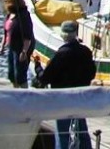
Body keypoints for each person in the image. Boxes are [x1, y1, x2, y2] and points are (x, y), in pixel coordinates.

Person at [36, 21, 96, 149]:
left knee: (62, 131)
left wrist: (37, 67)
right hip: (80, 95)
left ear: (63, 35)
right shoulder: (85, 51)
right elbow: (92, 72)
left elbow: (45, 78)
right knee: (81, 129)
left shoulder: (61, 54)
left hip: (62, 98)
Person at [0, 0, 33, 88]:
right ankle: (15, 90)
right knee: (11, 74)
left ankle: (24, 94)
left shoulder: (24, 15)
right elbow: (6, 31)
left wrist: (24, 51)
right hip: (11, 47)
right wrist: (2, 46)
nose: (4, 3)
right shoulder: (10, 14)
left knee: (20, 74)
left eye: (6, 1)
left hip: (21, 47)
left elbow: (28, 36)